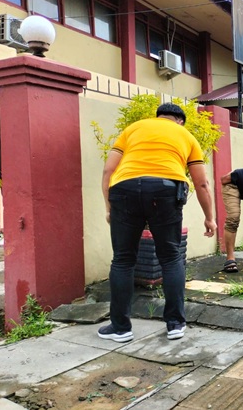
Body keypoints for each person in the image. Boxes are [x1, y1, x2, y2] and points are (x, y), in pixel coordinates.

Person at [100, 103, 217, 343]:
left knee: (123, 259)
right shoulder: (186, 135)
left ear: (158, 117)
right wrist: (209, 217)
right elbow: (202, 183)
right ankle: (175, 324)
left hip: (124, 189)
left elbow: (108, 171)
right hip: (165, 191)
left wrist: (109, 207)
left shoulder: (133, 128)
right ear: (180, 121)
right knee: (171, 256)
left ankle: (120, 328)